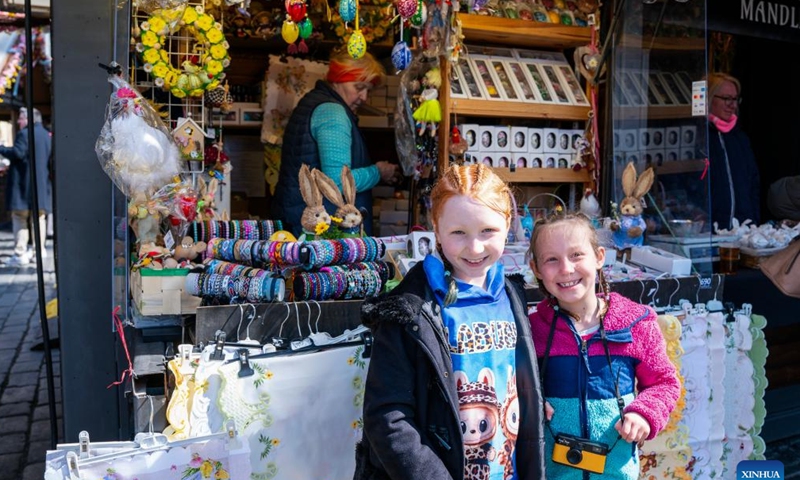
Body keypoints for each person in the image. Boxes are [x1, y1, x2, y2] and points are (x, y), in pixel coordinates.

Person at [355, 164, 545, 480]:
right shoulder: (408, 310)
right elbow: (387, 417)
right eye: (458, 233)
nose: (475, 248)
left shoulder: (512, 295)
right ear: (437, 230)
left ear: (508, 224)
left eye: (488, 231)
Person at [527, 212, 680, 480]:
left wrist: (644, 414)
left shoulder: (636, 322)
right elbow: (510, 387)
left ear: (599, 257)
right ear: (537, 269)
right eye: (552, 259)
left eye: (576, 255)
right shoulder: (530, 330)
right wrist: (529, 401)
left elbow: (664, 383)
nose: (566, 268)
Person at [272, 49, 399, 236]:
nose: (364, 97)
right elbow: (337, 183)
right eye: (359, 87)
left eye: (368, 90)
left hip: (300, 220)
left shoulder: (312, 102)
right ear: (338, 79)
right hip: (323, 231)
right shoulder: (332, 113)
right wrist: (378, 172)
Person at [707, 72, 760, 230]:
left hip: (743, 231)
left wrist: (753, 221)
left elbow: (753, 184)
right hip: (709, 232)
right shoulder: (700, 136)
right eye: (726, 99)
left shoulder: (740, 138)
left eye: (735, 99)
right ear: (709, 99)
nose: (732, 105)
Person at [0, 108, 52, 267]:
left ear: (29, 119)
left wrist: (1, 149)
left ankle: (20, 253)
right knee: (39, 218)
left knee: (19, 218)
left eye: (20, 119)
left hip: (24, 187)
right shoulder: (45, 135)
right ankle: (39, 251)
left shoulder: (24, 134)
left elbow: (18, 153)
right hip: (40, 186)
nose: (18, 122)